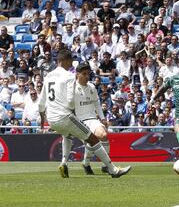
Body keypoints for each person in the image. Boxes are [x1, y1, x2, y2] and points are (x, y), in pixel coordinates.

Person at [38, 50, 129, 178]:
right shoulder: (69, 76)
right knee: (92, 139)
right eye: (70, 61)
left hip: (52, 119)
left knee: (67, 135)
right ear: (65, 60)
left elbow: (41, 103)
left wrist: (43, 120)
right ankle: (113, 170)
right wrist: (71, 111)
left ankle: (64, 163)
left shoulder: (48, 76)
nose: (71, 64)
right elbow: (70, 101)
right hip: (64, 116)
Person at [74, 62, 131, 175]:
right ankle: (86, 163)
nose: (86, 76)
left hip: (92, 119)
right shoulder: (72, 89)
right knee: (91, 142)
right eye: (84, 74)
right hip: (79, 121)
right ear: (77, 74)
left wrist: (102, 118)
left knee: (103, 135)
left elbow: (96, 103)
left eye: (88, 74)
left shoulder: (92, 87)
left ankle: (105, 166)